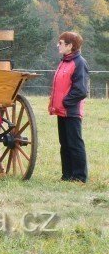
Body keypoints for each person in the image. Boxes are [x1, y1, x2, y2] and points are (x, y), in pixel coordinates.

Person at [48, 31, 89, 183]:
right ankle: (67, 175)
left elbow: (81, 90)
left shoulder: (79, 63)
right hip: (61, 111)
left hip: (71, 111)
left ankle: (79, 177)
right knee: (64, 144)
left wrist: (65, 102)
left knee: (75, 143)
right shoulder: (64, 61)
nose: (58, 45)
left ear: (70, 46)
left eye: (61, 43)